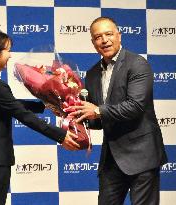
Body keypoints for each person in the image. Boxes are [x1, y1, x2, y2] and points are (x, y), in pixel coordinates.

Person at [70, 17, 167, 205]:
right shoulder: (91, 74)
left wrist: (97, 110)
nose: (104, 40)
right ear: (93, 43)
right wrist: (73, 113)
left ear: (119, 36)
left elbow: (136, 106)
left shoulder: (137, 64)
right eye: (98, 37)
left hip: (142, 155)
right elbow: (98, 120)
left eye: (108, 34)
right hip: (112, 159)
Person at [0, 28, 80, 205]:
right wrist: (61, 135)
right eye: (7, 50)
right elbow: (21, 114)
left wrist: (44, 105)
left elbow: (6, 104)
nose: (11, 56)